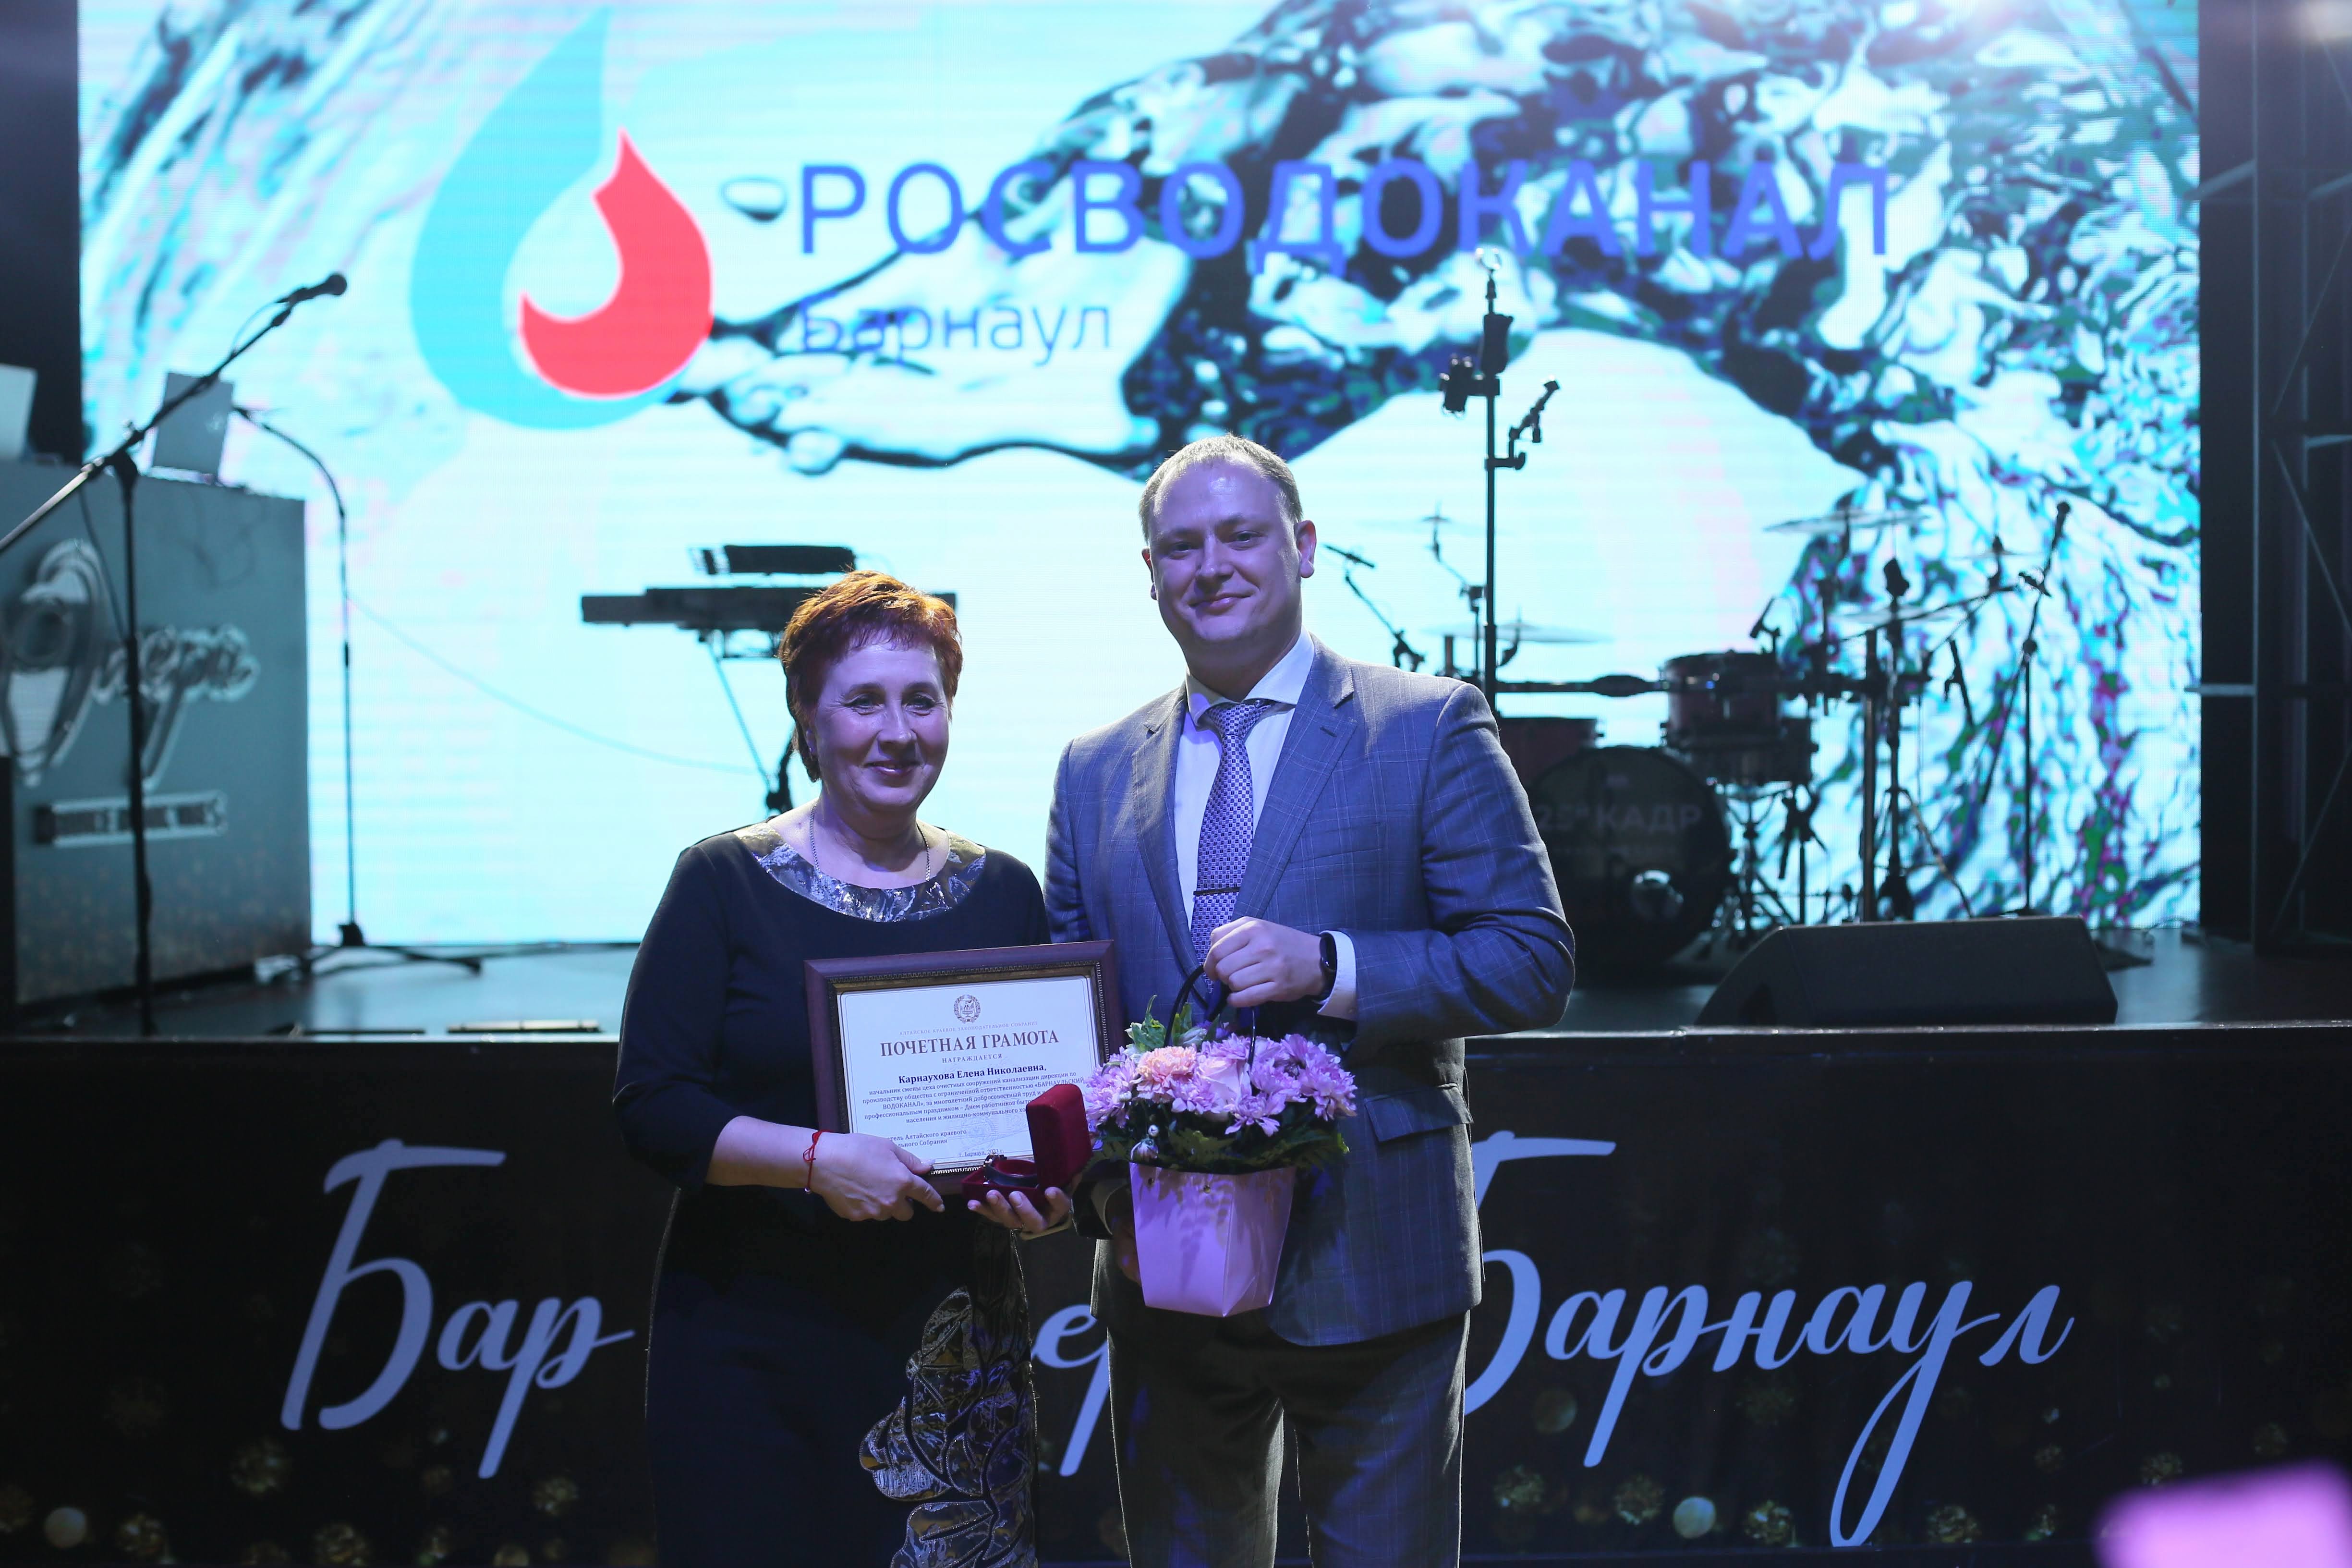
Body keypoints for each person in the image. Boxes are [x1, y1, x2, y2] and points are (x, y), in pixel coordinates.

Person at [1047, 436, 1575, 1568]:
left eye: (1241, 535)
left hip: (1371, 1255)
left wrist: (1332, 967)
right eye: (1180, 546)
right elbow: (1068, 1018)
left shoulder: (1425, 724)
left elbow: (1531, 958)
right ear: (1150, 574)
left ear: (1303, 547)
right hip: (1162, 1272)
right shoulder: (1092, 767)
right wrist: (1098, 1197)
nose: (1212, 566)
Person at [614, 571, 1069, 1568]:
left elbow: (1039, 1113)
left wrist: (1046, 1196)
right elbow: (652, 1105)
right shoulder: (721, 881)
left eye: (923, 701)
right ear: (808, 722)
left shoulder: (1003, 891)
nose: (897, 732)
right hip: (754, 1343)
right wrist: (817, 1159)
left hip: (950, 1352)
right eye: (864, 701)